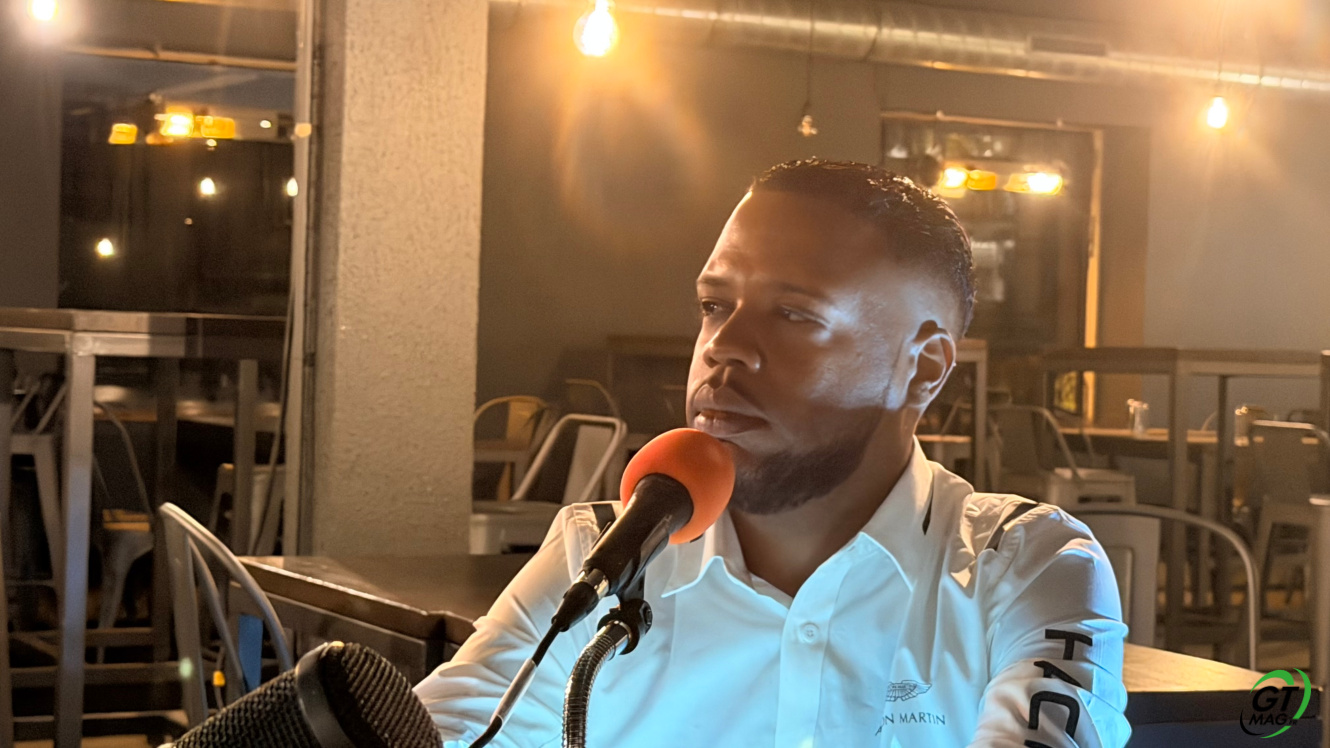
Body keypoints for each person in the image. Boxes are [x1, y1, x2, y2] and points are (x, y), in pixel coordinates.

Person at [415, 159, 1130, 747]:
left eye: (793, 314)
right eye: (714, 306)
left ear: (922, 368)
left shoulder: (1025, 567)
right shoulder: (599, 556)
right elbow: (444, 730)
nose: (723, 347)